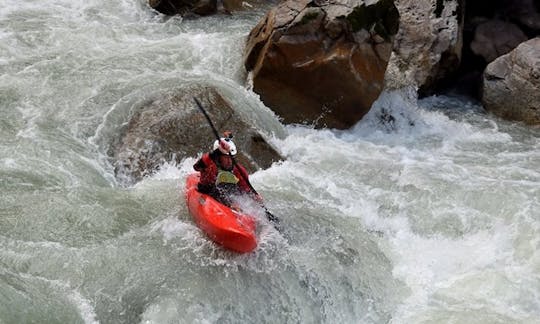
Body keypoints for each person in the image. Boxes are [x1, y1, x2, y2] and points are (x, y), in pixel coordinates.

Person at [193, 131, 261, 207]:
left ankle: (234, 206)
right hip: (208, 190)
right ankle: (230, 204)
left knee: (238, 191)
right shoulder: (209, 162)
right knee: (215, 190)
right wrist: (214, 153)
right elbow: (196, 167)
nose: (229, 160)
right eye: (226, 157)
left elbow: (246, 188)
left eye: (231, 157)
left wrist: (255, 196)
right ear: (218, 156)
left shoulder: (239, 170)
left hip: (226, 192)